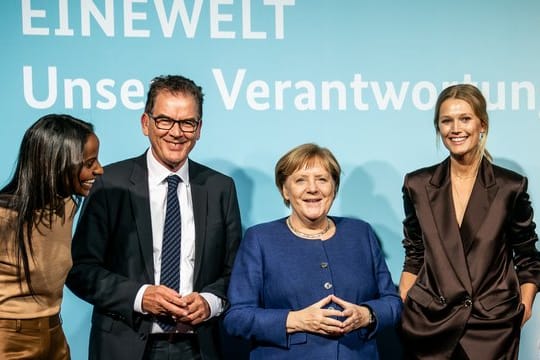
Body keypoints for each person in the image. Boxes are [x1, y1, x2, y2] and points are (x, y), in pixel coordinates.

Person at [66, 75, 242, 360]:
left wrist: (210, 302)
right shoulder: (110, 182)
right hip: (124, 346)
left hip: (200, 348)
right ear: (145, 123)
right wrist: (140, 296)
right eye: (165, 121)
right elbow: (80, 270)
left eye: (187, 123)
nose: (176, 132)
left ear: (199, 129)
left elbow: (235, 271)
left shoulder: (220, 188)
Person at [399, 84, 540, 359]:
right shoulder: (417, 184)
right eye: (446, 120)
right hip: (431, 324)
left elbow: (527, 257)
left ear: (482, 124)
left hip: (492, 328)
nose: (455, 128)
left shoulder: (510, 186)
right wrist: (408, 299)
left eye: (465, 118)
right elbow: (414, 252)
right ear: (438, 128)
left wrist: (522, 308)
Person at [224, 143, 402, 359]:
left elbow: (392, 302)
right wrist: (297, 320)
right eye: (300, 180)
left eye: (322, 179)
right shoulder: (260, 239)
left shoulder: (360, 233)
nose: (313, 188)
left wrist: (367, 315)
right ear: (285, 190)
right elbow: (236, 318)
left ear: (334, 187)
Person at [0, 114, 103, 359]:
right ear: (56, 164)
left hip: (55, 334)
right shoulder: (4, 217)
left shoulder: (66, 205)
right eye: (89, 163)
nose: (99, 169)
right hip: (9, 341)